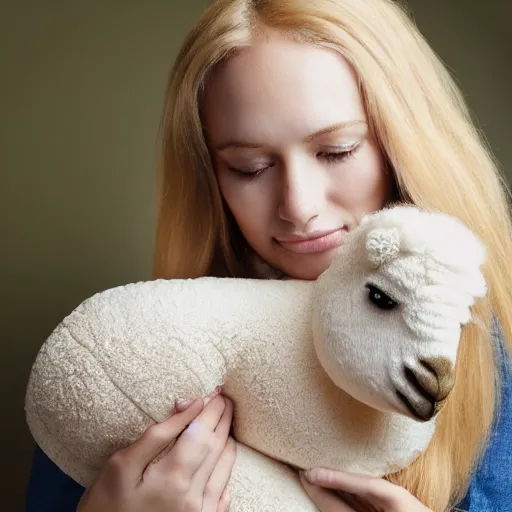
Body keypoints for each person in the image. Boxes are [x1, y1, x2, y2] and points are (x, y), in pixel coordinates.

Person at [25, 0, 512, 511]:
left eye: (338, 151)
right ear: (210, 177)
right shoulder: (130, 372)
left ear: (404, 143)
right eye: (250, 167)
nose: (298, 208)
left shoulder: (493, 377)